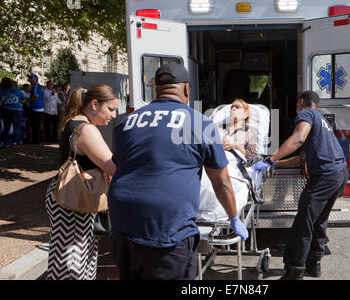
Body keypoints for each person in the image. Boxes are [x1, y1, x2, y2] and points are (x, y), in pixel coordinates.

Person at [108, 62, 248, 280]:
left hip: (122, 225)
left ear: (156, 89)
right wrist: (233, 217)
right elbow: (221, 182)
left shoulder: (125, 123)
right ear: (186, 89)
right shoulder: (200, 123)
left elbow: (120, 165)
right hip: (166, 230)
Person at [254, 91, 348, 280]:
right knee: (319, 221)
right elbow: (302, 158)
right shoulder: (322, 120)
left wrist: (272, 156)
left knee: (303, 224)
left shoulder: (306, 113)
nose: (297, 108)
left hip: (325, 177)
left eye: (297, 104)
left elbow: (298, 139)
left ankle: (294, 271)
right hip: (340, 174)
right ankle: (314, 265)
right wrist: (275, 163)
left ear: (302, 102)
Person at [45, 85, 118, 280]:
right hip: (75, 200)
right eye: (111, 109)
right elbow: (112, 166)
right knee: (74, 264)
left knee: (68, 260)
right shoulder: (86, 129)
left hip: (69, 197)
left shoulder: (74, 122)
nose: (114, 115)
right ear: (95, 104)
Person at [220, 98, 258, 163]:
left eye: (237, 107)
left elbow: (251, 158)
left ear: (245, 114)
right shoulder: (220, 128)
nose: (233, 109)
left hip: (235, 166)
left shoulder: (249, 131)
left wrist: (235, 145)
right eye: (232, 107)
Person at [0, 79, 25, 148]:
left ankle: (6, 142)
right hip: (16, 110)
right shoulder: (17, 90)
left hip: (5, 110)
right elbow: (23, 100)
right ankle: (14, 142)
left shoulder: (1, 91)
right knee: (16, 127)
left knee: (6, 127)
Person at [27, 74, 45, 144]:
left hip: (36, 108)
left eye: (31, 78)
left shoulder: (36, 86)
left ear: (35, 79)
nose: (29, 80)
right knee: (36, 124)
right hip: (38, 108)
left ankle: (36, 140)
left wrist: (27, 101)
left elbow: (36, 97)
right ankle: (38, 139)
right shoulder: (36, 86)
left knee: (36, 125)